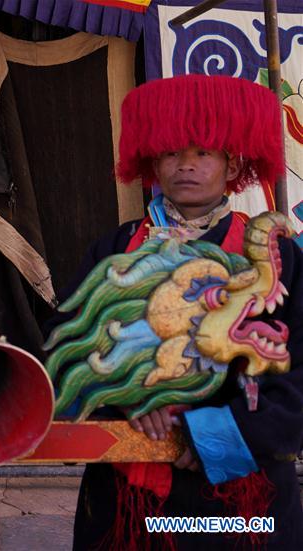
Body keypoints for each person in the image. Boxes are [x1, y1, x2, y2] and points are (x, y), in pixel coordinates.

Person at [51, 75, 303, 550]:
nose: (185, 165)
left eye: (203, 152)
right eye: (171, 153)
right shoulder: (115, 250)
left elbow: (297, 373)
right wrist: (124, 396)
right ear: (152, 162)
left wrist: (215, 434)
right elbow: (66, 347)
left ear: (232, 164)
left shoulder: (278, 259)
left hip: (242, 506)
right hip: (131, 499)